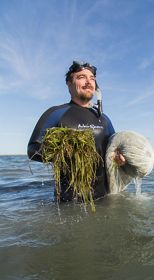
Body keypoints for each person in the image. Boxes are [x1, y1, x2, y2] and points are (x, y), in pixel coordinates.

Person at [27, 61, 125, 202]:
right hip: (69, 203)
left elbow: (114, 149)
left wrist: (119, 159)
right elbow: (32, 149)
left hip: (105, 198)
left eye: (92, 78)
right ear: (69, 83)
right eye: (81, 77)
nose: (88, 82)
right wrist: (67, 153)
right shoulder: (56, 113)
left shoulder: (104, 118)